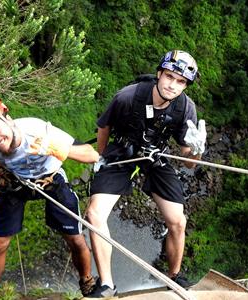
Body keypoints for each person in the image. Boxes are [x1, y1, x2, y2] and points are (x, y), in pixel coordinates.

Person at [85, 50, 207, 297]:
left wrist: (197, 150)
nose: (173, 85)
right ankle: (107, 284)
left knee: (178, 221)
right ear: (159, 74)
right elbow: (103, 126)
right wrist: (101, 157)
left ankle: (174, 276)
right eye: (170, 77)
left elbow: (189, 163)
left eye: (181, 81)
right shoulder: (128, 96)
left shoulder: (185, 108)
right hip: (123, 151)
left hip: (156, 155)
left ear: (186, 85)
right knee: (94, 214)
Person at [0, 93, 99, 300]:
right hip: (16, 183)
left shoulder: (38, 130)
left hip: (51, 181)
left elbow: (91, 154)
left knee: (75, 239)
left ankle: (86, 281)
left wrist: (55, 148)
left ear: (7, 117)